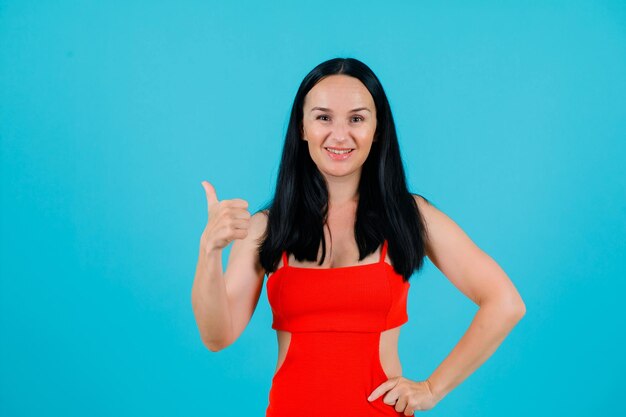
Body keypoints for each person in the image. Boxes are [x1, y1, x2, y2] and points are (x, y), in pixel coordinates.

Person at [191, 57, 526, 416]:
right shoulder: (266, 227)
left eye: (356, 118)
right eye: (323, 117)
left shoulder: (407, 215)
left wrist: (431, 389)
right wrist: (208, 250)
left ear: (377, 128)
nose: (339, 134)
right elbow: (217, 335)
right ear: (302, 127)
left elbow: (505, 302)